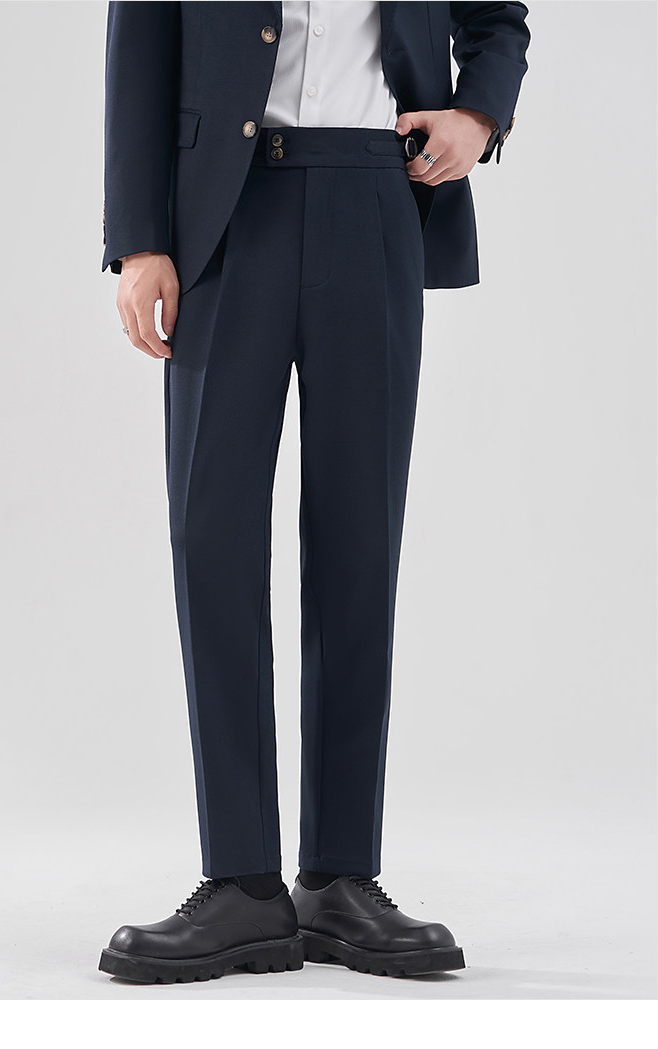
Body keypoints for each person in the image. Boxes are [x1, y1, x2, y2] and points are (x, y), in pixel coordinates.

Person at [97, 1, 530, 985]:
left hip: (377, 190)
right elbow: (140, 38)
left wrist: (479, 114)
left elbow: (496, 18)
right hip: (222, 205)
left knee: (358, 542)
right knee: (213, 538)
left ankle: (340, 873)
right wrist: (139, 236)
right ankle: (241, 880)